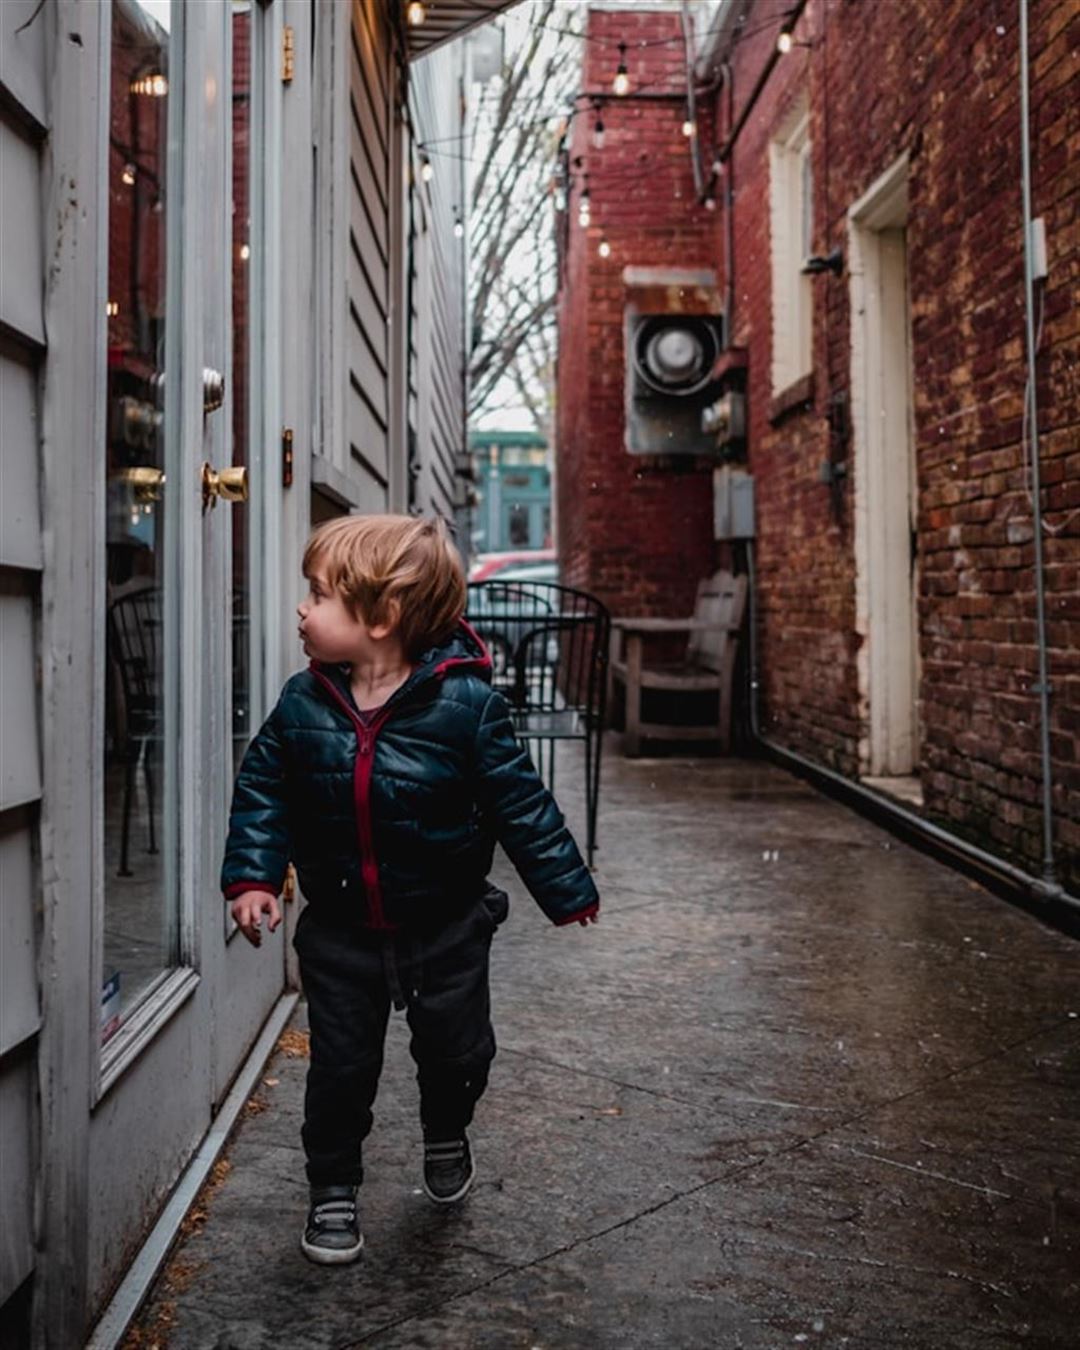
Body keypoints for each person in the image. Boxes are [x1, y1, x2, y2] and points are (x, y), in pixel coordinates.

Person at [221, 514, 599, 1265]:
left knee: (459, 1055)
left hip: (446, 924)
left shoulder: (468, 709)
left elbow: (520, 803)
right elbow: (264, 787)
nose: (303, 609)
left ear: (382, 618)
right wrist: (255, 876)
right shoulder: (303, 703)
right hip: (341, 929)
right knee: (340, 1068)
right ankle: (332, 1189)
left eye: (320, 594)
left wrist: (565, 888)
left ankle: (446, 1125)